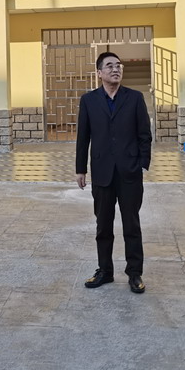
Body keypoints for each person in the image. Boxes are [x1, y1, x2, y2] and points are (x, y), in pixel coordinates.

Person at [76, 51, 152, 293]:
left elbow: (144, 134)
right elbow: (83, 137)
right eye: (109, 66)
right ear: (99, 73)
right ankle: (105, 271)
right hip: (102, 172)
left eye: (118, 65)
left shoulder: (135, 98)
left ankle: (135, 273)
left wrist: (142, 163)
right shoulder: (89, 100)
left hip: (129, 172)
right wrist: (80, 169)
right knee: (103, 226)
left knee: (132, 225)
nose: (116, 69)